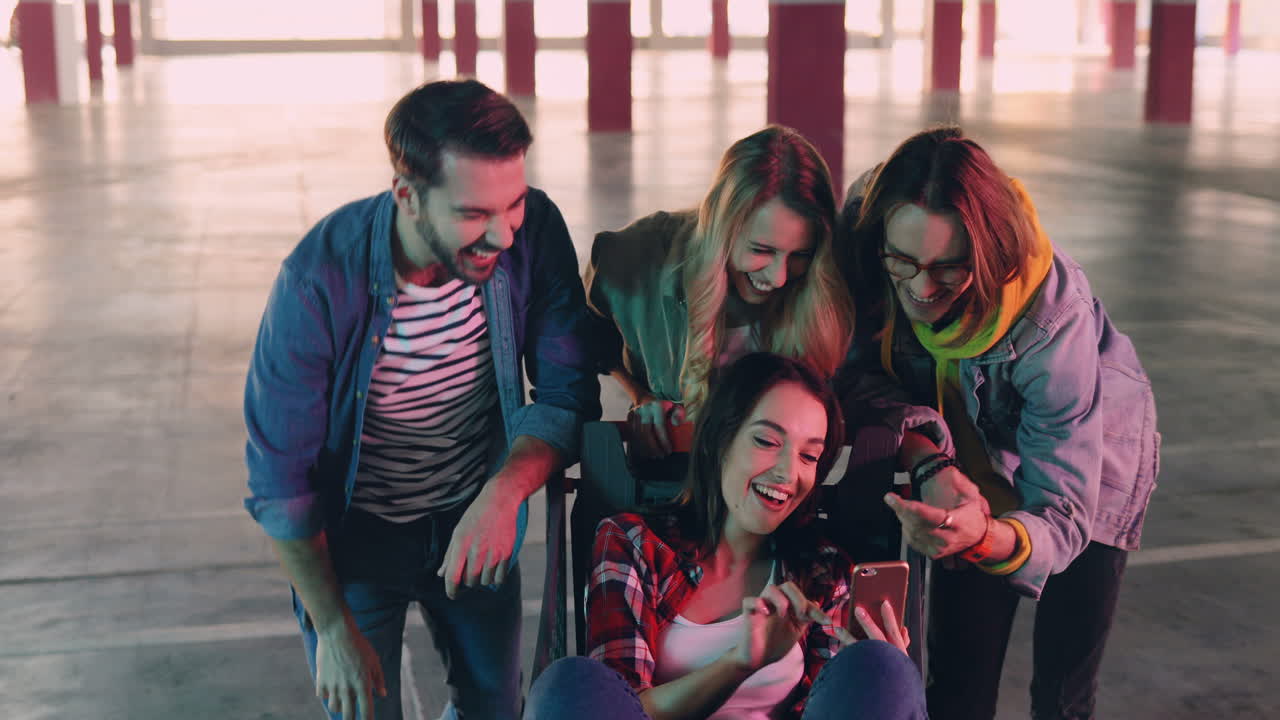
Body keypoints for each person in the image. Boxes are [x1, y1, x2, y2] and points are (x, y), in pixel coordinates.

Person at [242, 79, 600, 720]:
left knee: (494, 708)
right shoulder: (319, 279)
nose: (504, 236)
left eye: (511, 205)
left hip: (476, 519)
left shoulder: (535, 228)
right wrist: (330, 627)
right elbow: (282, 485)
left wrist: (504, 491)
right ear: (407, 196)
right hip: (357, 541)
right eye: (473, 215)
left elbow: (567, 386)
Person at [840, 126, 1161, 720]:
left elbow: (1063, 514)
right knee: (959, 682)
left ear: (985, 254)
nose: (920, 288)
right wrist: (929, 459)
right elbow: (856, 377)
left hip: (1090, 456)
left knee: (1063, 695)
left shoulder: (1052, 320)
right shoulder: (864, 240)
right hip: (963, 454)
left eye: (948, 269)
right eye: (903, 262)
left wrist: (986, 535)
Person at [525, 353, 928, 720]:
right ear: (720, 441)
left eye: (809, 456)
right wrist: (740, 663)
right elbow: (619, 707)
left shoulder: (823, 571)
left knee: (884, 665)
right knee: (569, 681)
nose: (788, 474)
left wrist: (876, 676)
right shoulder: (634, 544)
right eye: (767, 441)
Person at [583, 125, 854, 459]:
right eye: (762, 250)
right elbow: (587, 339)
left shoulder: (831, 273)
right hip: (671, 470)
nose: (779, 277)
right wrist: (640, 395)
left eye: (800, 255)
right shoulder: (635, 257)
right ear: (721, 227)